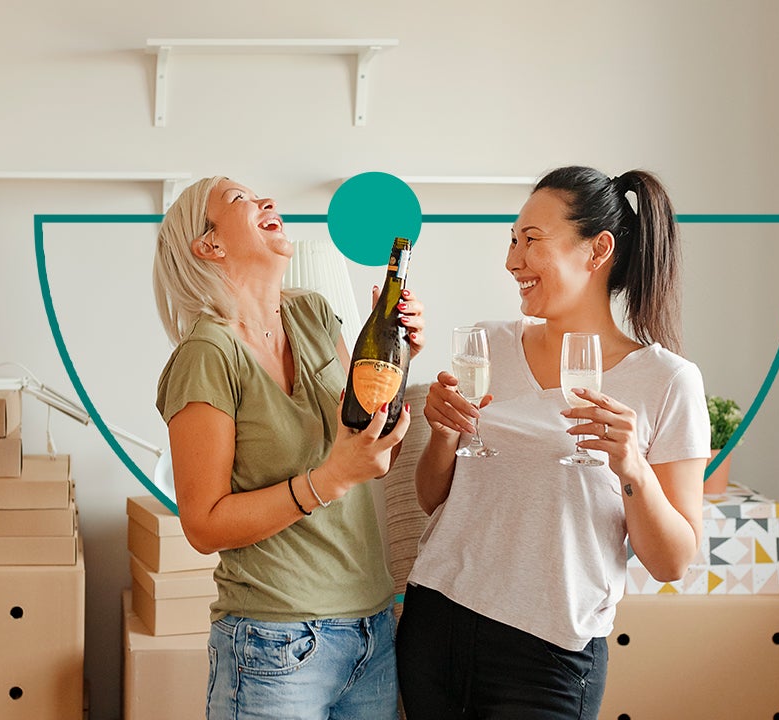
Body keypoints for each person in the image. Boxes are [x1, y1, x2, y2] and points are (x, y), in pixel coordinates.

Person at [396, 166, 710, 719]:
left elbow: (672, 562)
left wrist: (631, 466)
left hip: (549, 649)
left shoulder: (668, 381)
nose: (512, 260)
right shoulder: (486, 346)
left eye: (531, 241)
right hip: (437, 620)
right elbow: (433, 501)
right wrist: (443, 436)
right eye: (512, 240)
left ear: (597, 250)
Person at [152, 176, 425, 720]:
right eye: (240, 200)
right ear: (210, 245)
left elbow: (369, 452)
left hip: (370, 627)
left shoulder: (314, 314)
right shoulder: (207, 354)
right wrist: (328, 480)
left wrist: (402, 357)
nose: (266, 202)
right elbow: (203, 525)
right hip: (273, 642)